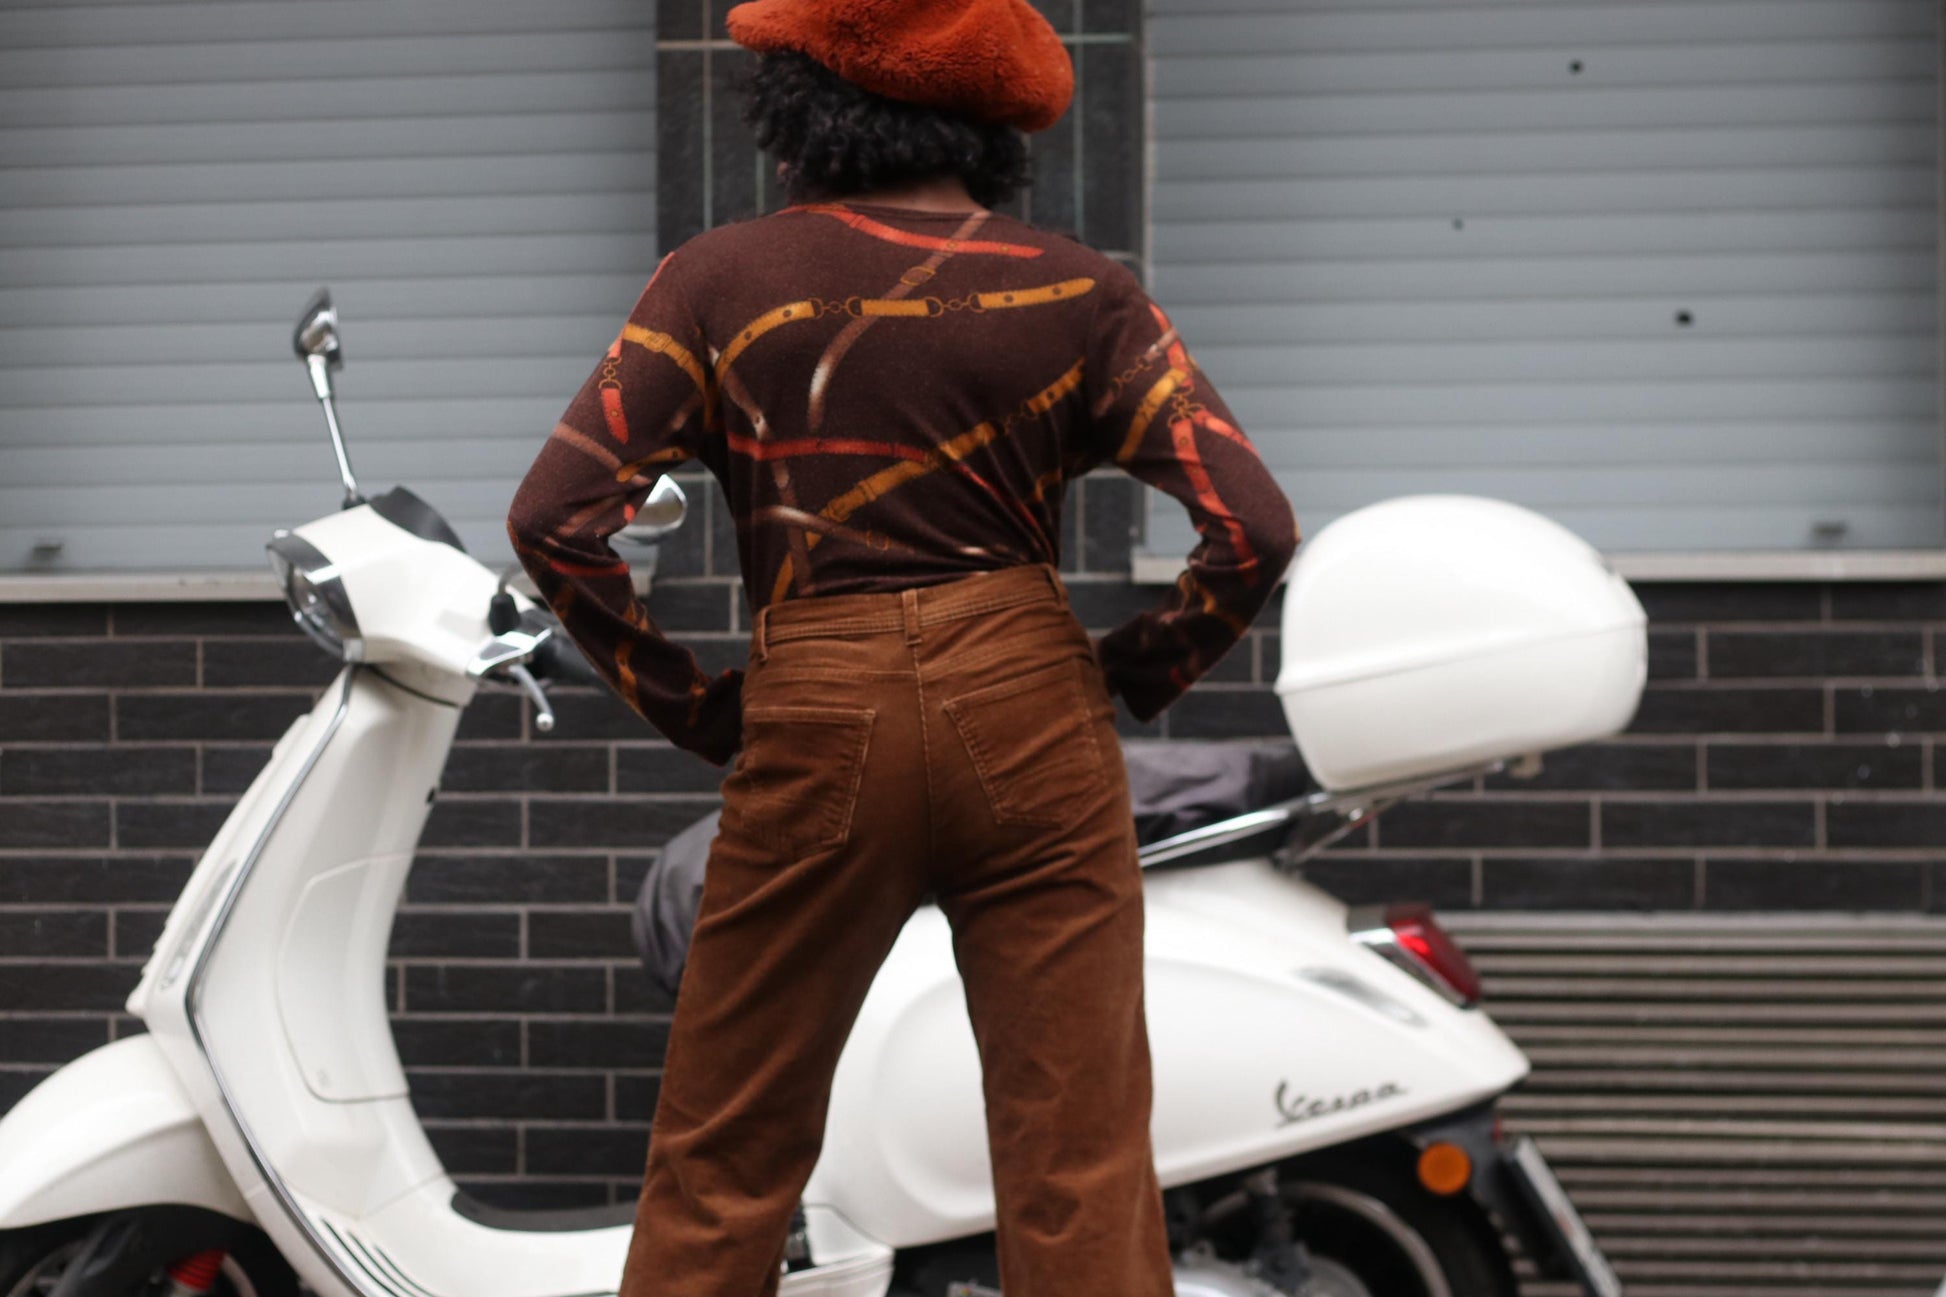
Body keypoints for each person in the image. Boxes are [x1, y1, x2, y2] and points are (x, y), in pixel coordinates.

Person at [504, 1, 1299, 1292]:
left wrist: (697, 706)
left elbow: (552, 520)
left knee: (723, 1155)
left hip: (817, 712)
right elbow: (1252, 525)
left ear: (803, 109)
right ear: (986, 129)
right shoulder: (1082, 292)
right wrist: (1137, 668)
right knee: (1078, 1157)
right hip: (1034, 710)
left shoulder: (716, 282)